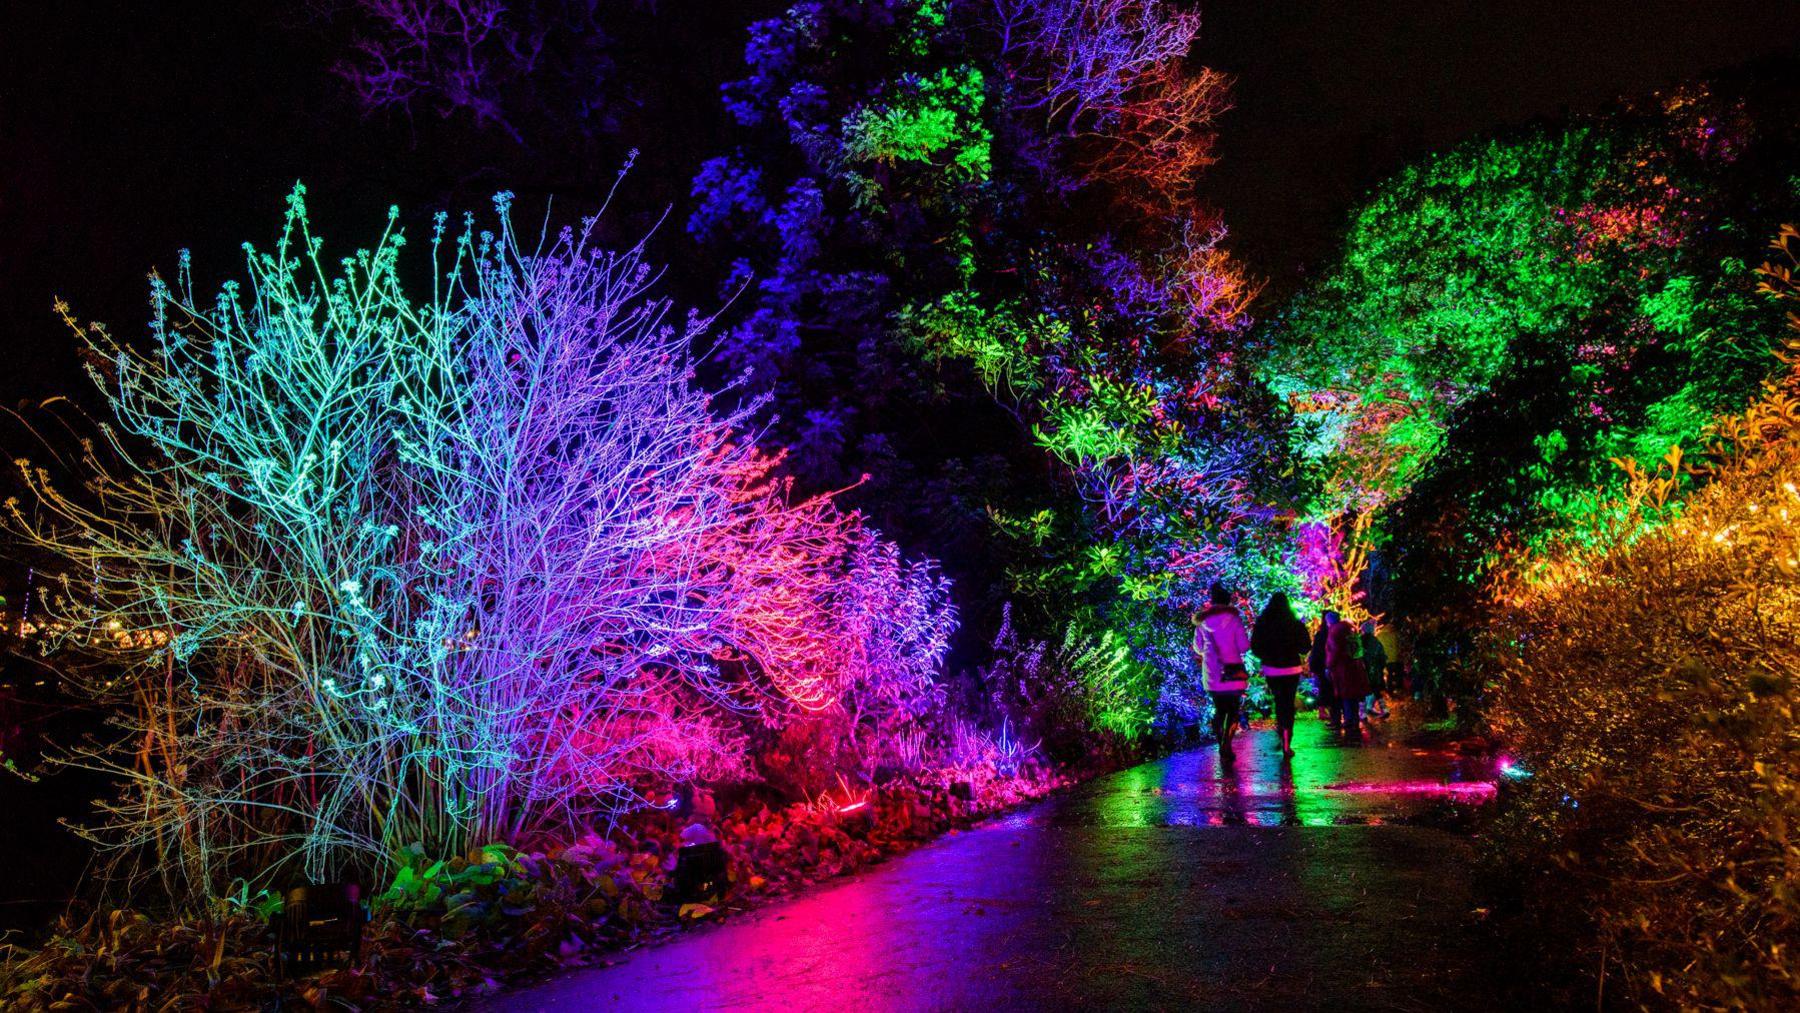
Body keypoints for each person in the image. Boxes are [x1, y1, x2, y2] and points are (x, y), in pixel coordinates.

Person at [1192, 583, 1251, 761]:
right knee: (1233, 710)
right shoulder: (1234, 620)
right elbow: (1244, 646)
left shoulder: (1202, 622)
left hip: (1212, 672)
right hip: (1232, 670)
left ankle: (1221, 744)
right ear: (1228, 602)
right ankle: (1227, 743)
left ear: (1212, 602)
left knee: (1219, 709)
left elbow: (1198, 647)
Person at [1250, 592, 1311, 758]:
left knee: (1279, 700)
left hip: (1272, 668)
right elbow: (1305, 646)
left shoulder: (1263, 623)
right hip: (1291, 668)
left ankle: (1280, 729)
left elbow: (1255, 646)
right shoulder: (1295, 623)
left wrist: (1267, 656)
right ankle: (1287, 741)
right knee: (1288, 702)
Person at [1326, 613, 1371, 742]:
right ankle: (1354, 720)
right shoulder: (1350, 629)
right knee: (1354, 695)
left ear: (1329, 621)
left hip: (1342, 668)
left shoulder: (1334, 632)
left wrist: (1329, 666)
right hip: (1354, 667)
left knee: (1346, 695)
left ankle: (1349, 721)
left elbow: (1334, 651)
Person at [1309, 610, 1339, 732]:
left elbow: (1316, 651)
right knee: (1333, 690)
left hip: (1322, 665)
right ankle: (1334, 716)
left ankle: (1326, 713)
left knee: (1324, 688)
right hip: (1331, 665)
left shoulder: (1321, 633)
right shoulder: (1334, 632)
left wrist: (1314, 666)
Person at [1361, 622, 1390, 718]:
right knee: (1376, 690)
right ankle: (1384, 708)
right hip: (1375, 671)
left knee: (1363, 691)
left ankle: (1363, 713)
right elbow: (1382, 656)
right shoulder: (1376, 642)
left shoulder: (1361, 641)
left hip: (1364, 670)